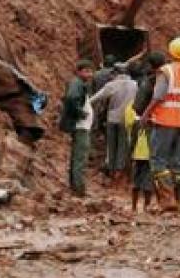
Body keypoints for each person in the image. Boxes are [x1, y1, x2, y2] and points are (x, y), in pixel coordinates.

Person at [141, 37, 180, 211]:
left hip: (165, 121)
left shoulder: (166, 71)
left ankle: (167, 200)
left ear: (170, 52)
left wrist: (145, 114)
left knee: (158, 160)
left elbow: (158, 96)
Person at [89, 63, 138, 184]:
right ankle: (119, 173)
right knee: (123, 146)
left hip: (112, 119)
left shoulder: (111, 85)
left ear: (115, 73)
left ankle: (111, 171)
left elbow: (94, 99)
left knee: (111, 146)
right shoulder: (135, 85)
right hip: (127, 120)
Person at [59, 59, 96, 197]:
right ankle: (79, 189)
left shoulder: (80, 84)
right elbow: (70, 98)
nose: (90, 74)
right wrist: (81, 113)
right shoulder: (77, 83)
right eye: (86, 71)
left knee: (77, 157)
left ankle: (75, 186)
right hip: (80, 126)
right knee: (80, 157)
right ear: (78, 72)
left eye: (91, 71)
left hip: (81, 126)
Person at [125, 98, 154, 212]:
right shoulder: (152, 123)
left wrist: (130, 154)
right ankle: (146, 207)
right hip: (149, 155)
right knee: (148, 183)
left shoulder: (135, 121)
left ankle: (134, 206)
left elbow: (131, 139)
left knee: (136, 181)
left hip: (137, 155)